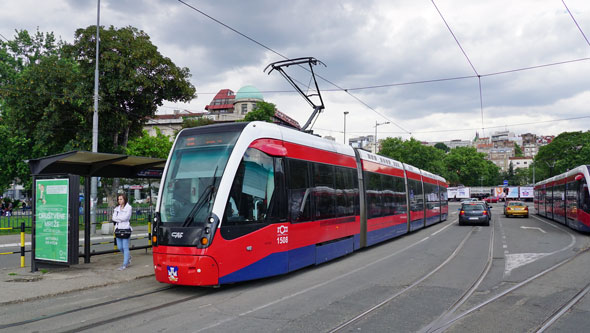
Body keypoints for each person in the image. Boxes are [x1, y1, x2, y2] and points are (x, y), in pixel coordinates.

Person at [112, 193, 133, 270]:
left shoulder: (129, 208)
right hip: (118, 229)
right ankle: (128, 257)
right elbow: (113, 218)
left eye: (121, 199)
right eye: (118, 199)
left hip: (126, 228)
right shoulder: (116, 209)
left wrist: (118, 219)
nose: (119, 201)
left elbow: (126, 218)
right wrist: (120, 219)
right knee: (120, 247)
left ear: (124, 199)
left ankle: (125, 264)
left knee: (125, 246)